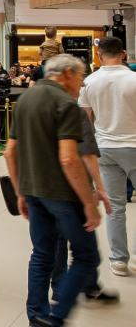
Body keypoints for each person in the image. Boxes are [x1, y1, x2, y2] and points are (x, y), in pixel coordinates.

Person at [4, 54, 101, 327]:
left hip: (33, 191)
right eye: (81, 77)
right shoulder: (66, 104)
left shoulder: (25, 100)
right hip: (62, 195)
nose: (81, 85)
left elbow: (10, 152)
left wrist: (20, 191)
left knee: (42, 253)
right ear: (68, 73)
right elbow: (69, 159)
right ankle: (57, 318)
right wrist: (89, 204)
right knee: (86, 256)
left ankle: (36, 316)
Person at [78, 36, 136, 277]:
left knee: (115, 205)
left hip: (104, 148)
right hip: (133, 145)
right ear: (123, 54)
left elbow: (85, 123)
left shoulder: (89, 82)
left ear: (99, 55)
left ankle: (119, 260)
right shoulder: (134, 79)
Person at [50, 106, 117, 303]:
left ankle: (68, 287)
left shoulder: (38, 109)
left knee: (60, 242)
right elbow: (86, 154)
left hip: (50, 186)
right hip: (74, 186)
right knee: (83, 246)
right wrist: (98, 187)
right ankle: (82, 287)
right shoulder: (75, 112)